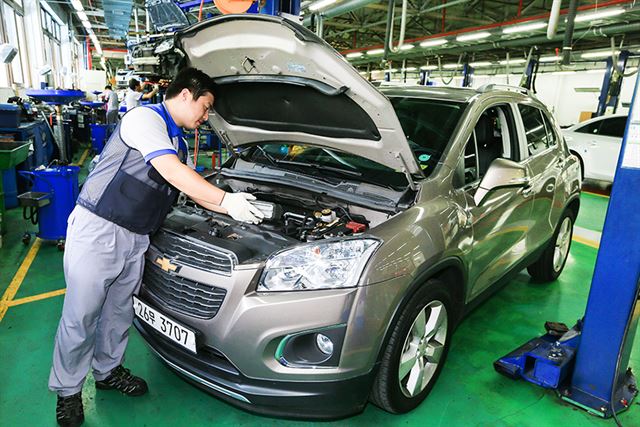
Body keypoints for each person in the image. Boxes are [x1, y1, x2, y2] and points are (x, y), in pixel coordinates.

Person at [50, 67, 264, 427]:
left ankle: (107, 372)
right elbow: (170, 171)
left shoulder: (178, 141)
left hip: (137, 237)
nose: (206, 116)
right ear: (186, 95)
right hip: (99, 230)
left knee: (119, 312)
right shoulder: (144, 119)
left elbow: (190, 188)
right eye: (206, 106)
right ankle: (68, 392)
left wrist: (239, 206)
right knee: (81, 315)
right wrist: (227, 201)